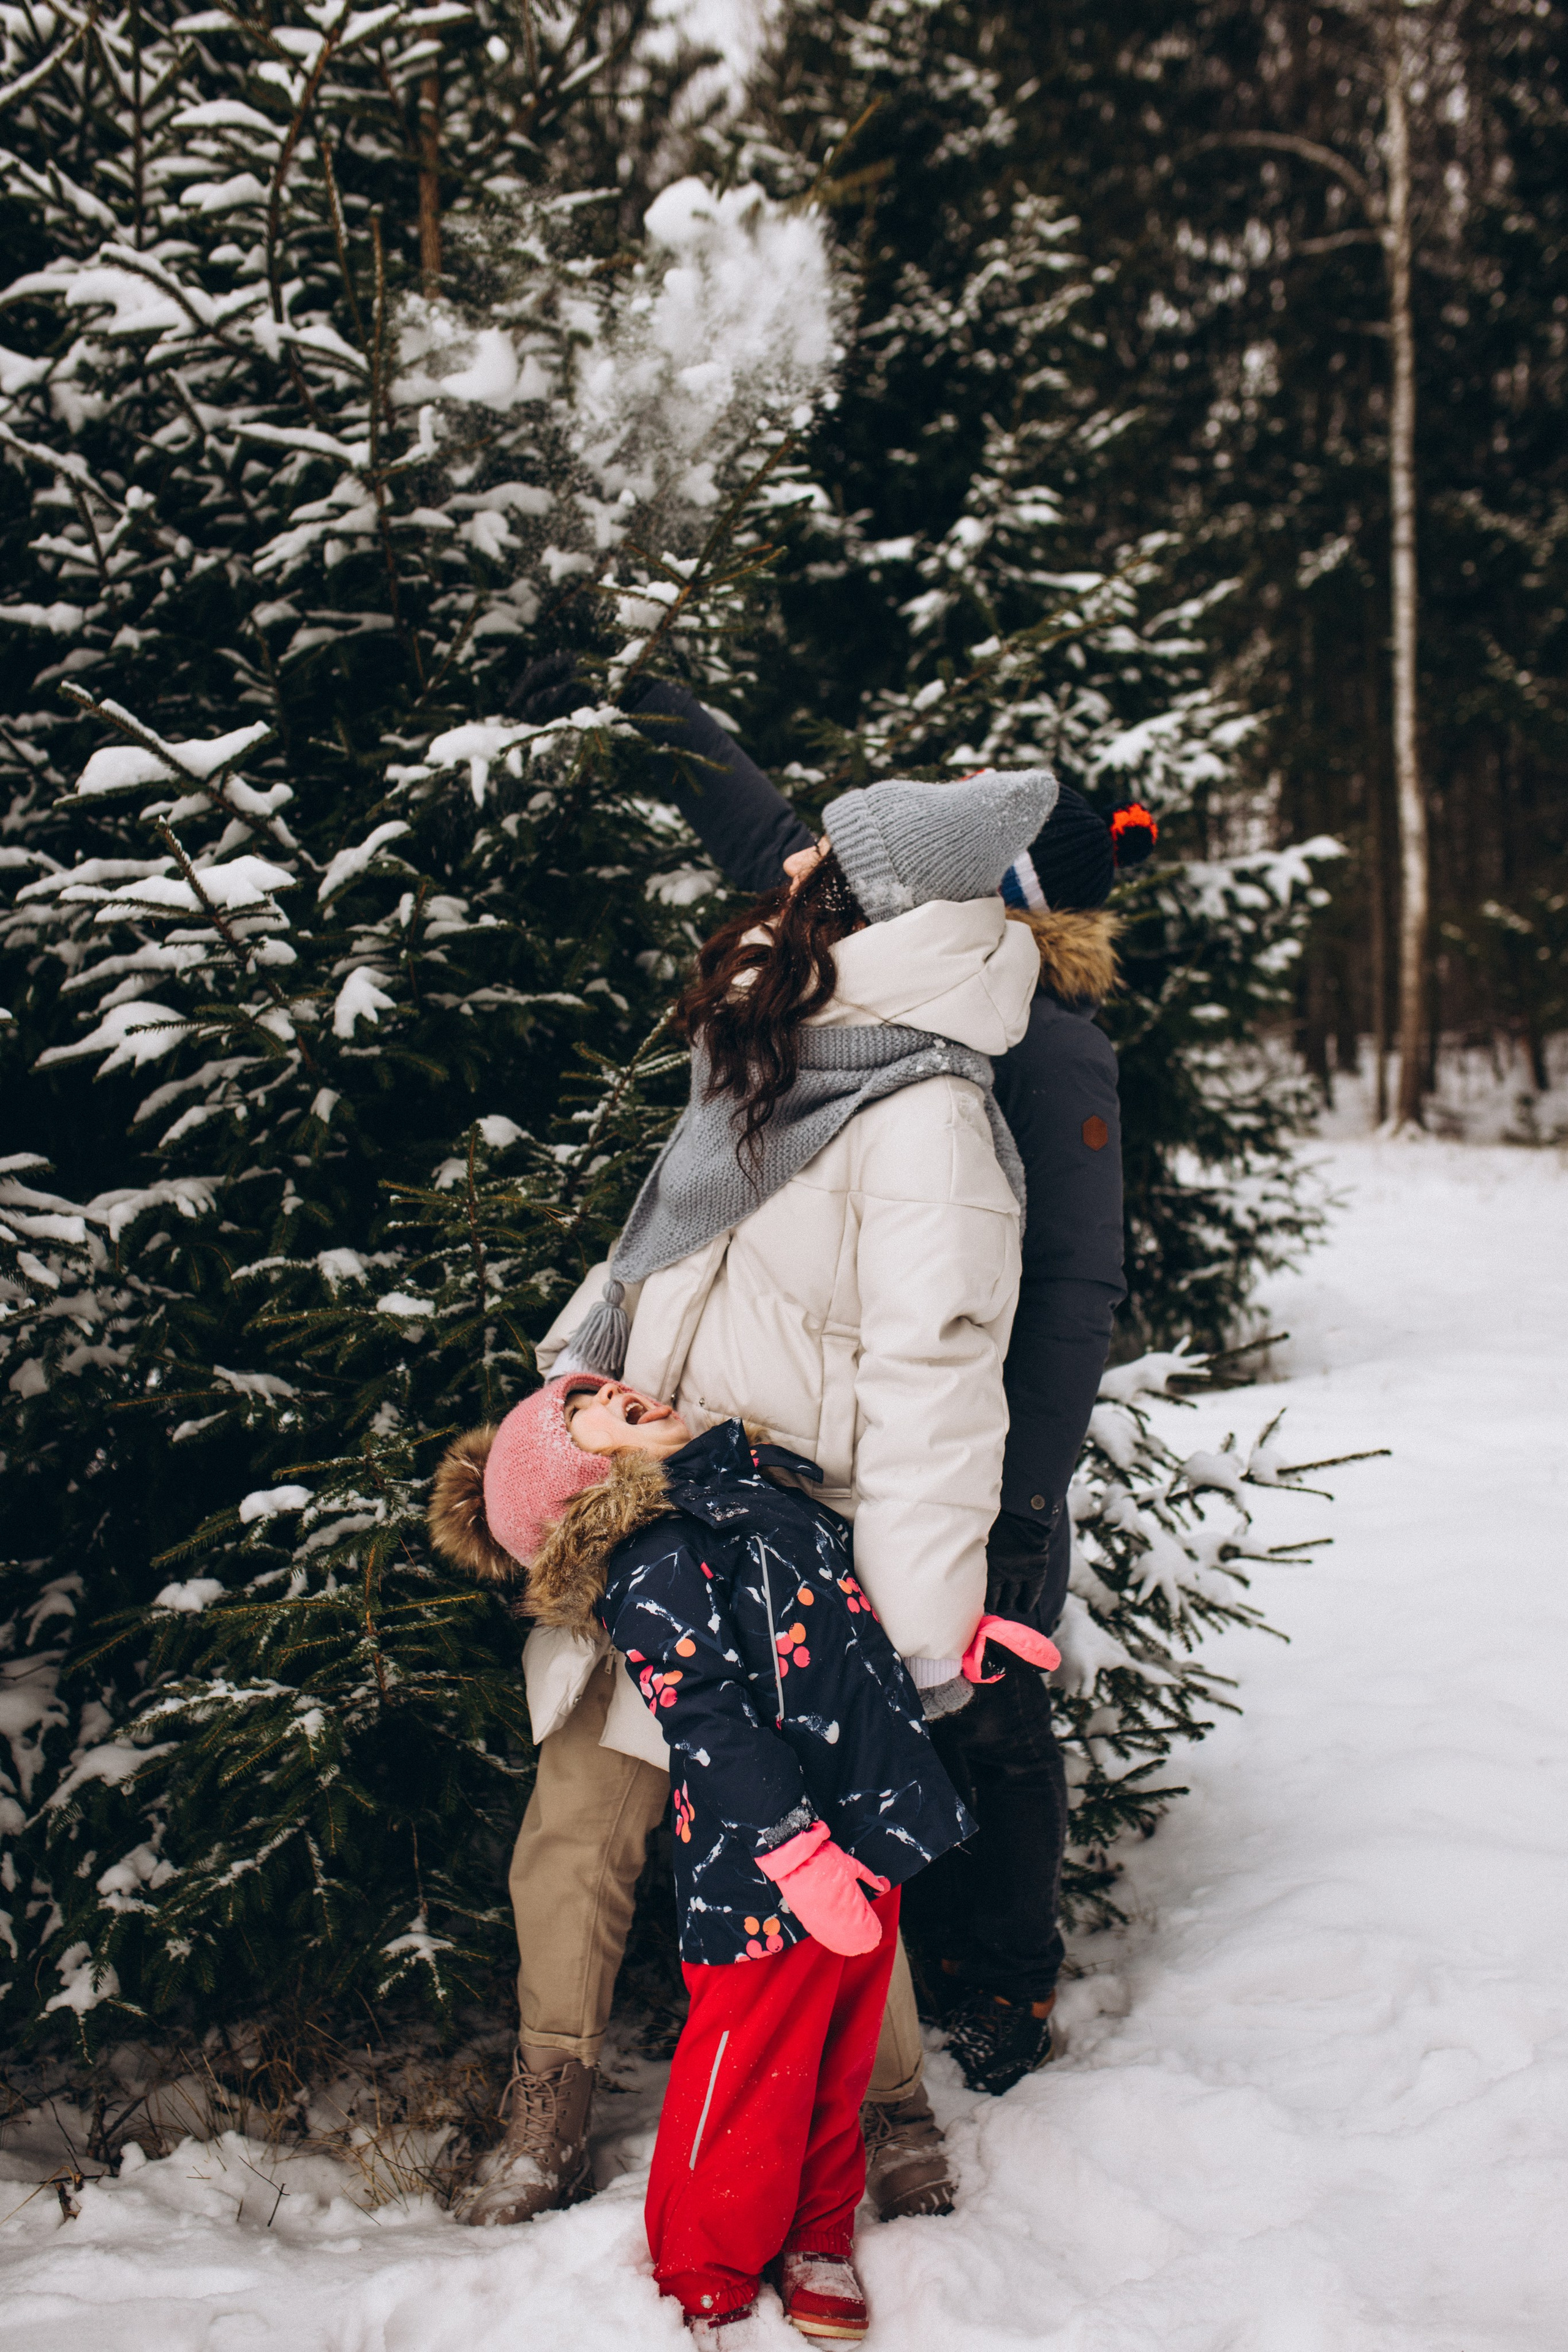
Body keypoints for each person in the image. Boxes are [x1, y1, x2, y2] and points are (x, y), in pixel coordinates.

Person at [456, 748, 1055, 2231]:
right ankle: (553, 2092)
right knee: (577, 1819)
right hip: (654, 1495)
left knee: (825, 1849)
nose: (785, 872)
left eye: (814, 864)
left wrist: (914, 1632)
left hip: (794, 1553)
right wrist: (579, 1369)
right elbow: (661, 1232)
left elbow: (938, 1388)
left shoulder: (927, 1117)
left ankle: (893, 2109)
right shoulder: (782, 1042)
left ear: (869, 901)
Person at [597, 671, 1145, 2205]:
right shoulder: (885, 961)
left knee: (990, 1711)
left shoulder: (1042, 1047)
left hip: (989, 1453)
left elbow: (1063, 1295)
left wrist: (1016, 1508)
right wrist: (657, 707)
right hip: (864, 1448)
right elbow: (778, 838)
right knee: (893, 1707)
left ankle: (1005, 1979)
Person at [430, 1373, 1052, 2342]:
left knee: (839, 2062)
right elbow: (705, 1721)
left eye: (603, 1384)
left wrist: (952, 1652)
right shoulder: (654, 1556)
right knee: (752, 2072)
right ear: (575, 1478)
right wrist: (795, 1855)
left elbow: (847, 1634)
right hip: (771, 1869)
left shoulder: (760, 1495)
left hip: (861, 1826)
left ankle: (817, 2238)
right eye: (583, 1408)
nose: (614, 1389)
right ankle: (704, 2271)